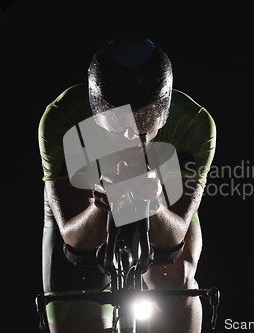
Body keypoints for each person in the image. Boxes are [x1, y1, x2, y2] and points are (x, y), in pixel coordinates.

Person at [38, 37, 216, 333]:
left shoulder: (195, 124)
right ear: (96, 112)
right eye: (119, 124)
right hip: (86, 200)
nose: (135, 137)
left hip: (163, 193)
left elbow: (172, 241)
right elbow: (77, 243)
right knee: (75, 299)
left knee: (176, 282)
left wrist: (156, 204)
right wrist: (100, 207)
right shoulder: (63, 118)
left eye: (147, 120)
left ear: (166, 109)